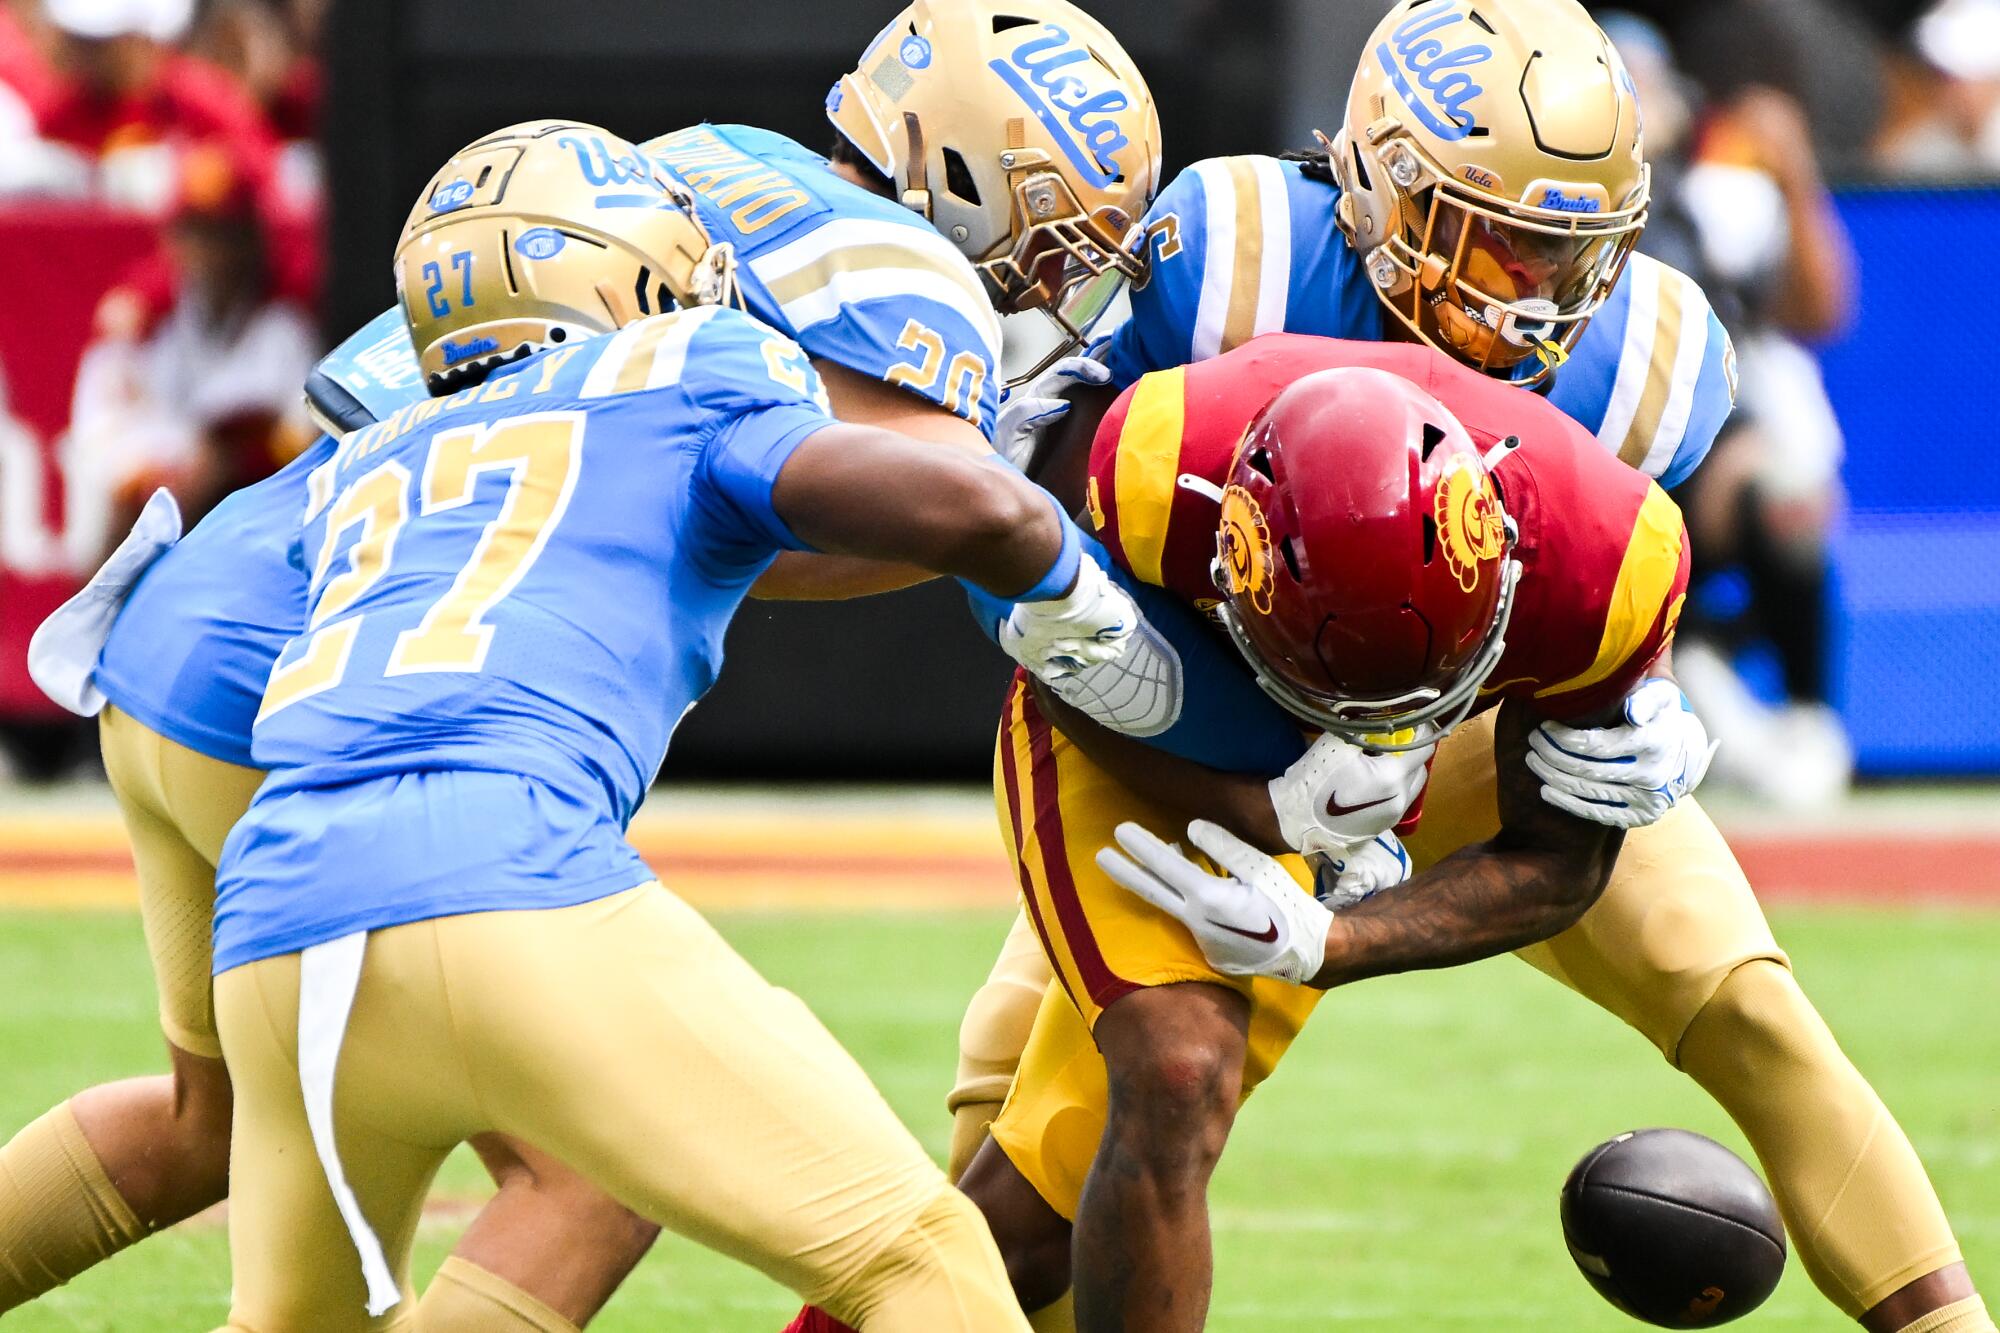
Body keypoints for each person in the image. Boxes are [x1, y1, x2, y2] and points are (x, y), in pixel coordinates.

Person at [934, 3, 1989, 1329]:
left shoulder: (1642, 369)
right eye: (1497, 236)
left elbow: (1575, 788)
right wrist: (1249, 796)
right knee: (1048, 1145)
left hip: (1477, 731)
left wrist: (1633, 684)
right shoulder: (1232, 263)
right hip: (1211, 716)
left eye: (1569, 249)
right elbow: (1019, 559)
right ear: (1375, 182)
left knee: (1750, 1007)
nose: (1532, 291)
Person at [204, 117, 1136, 1332]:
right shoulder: (684, 368)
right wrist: (1098, 616)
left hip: (275, 922)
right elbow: (968, 504)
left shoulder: (365, 457)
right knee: (919, 1259)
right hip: (511, 885)